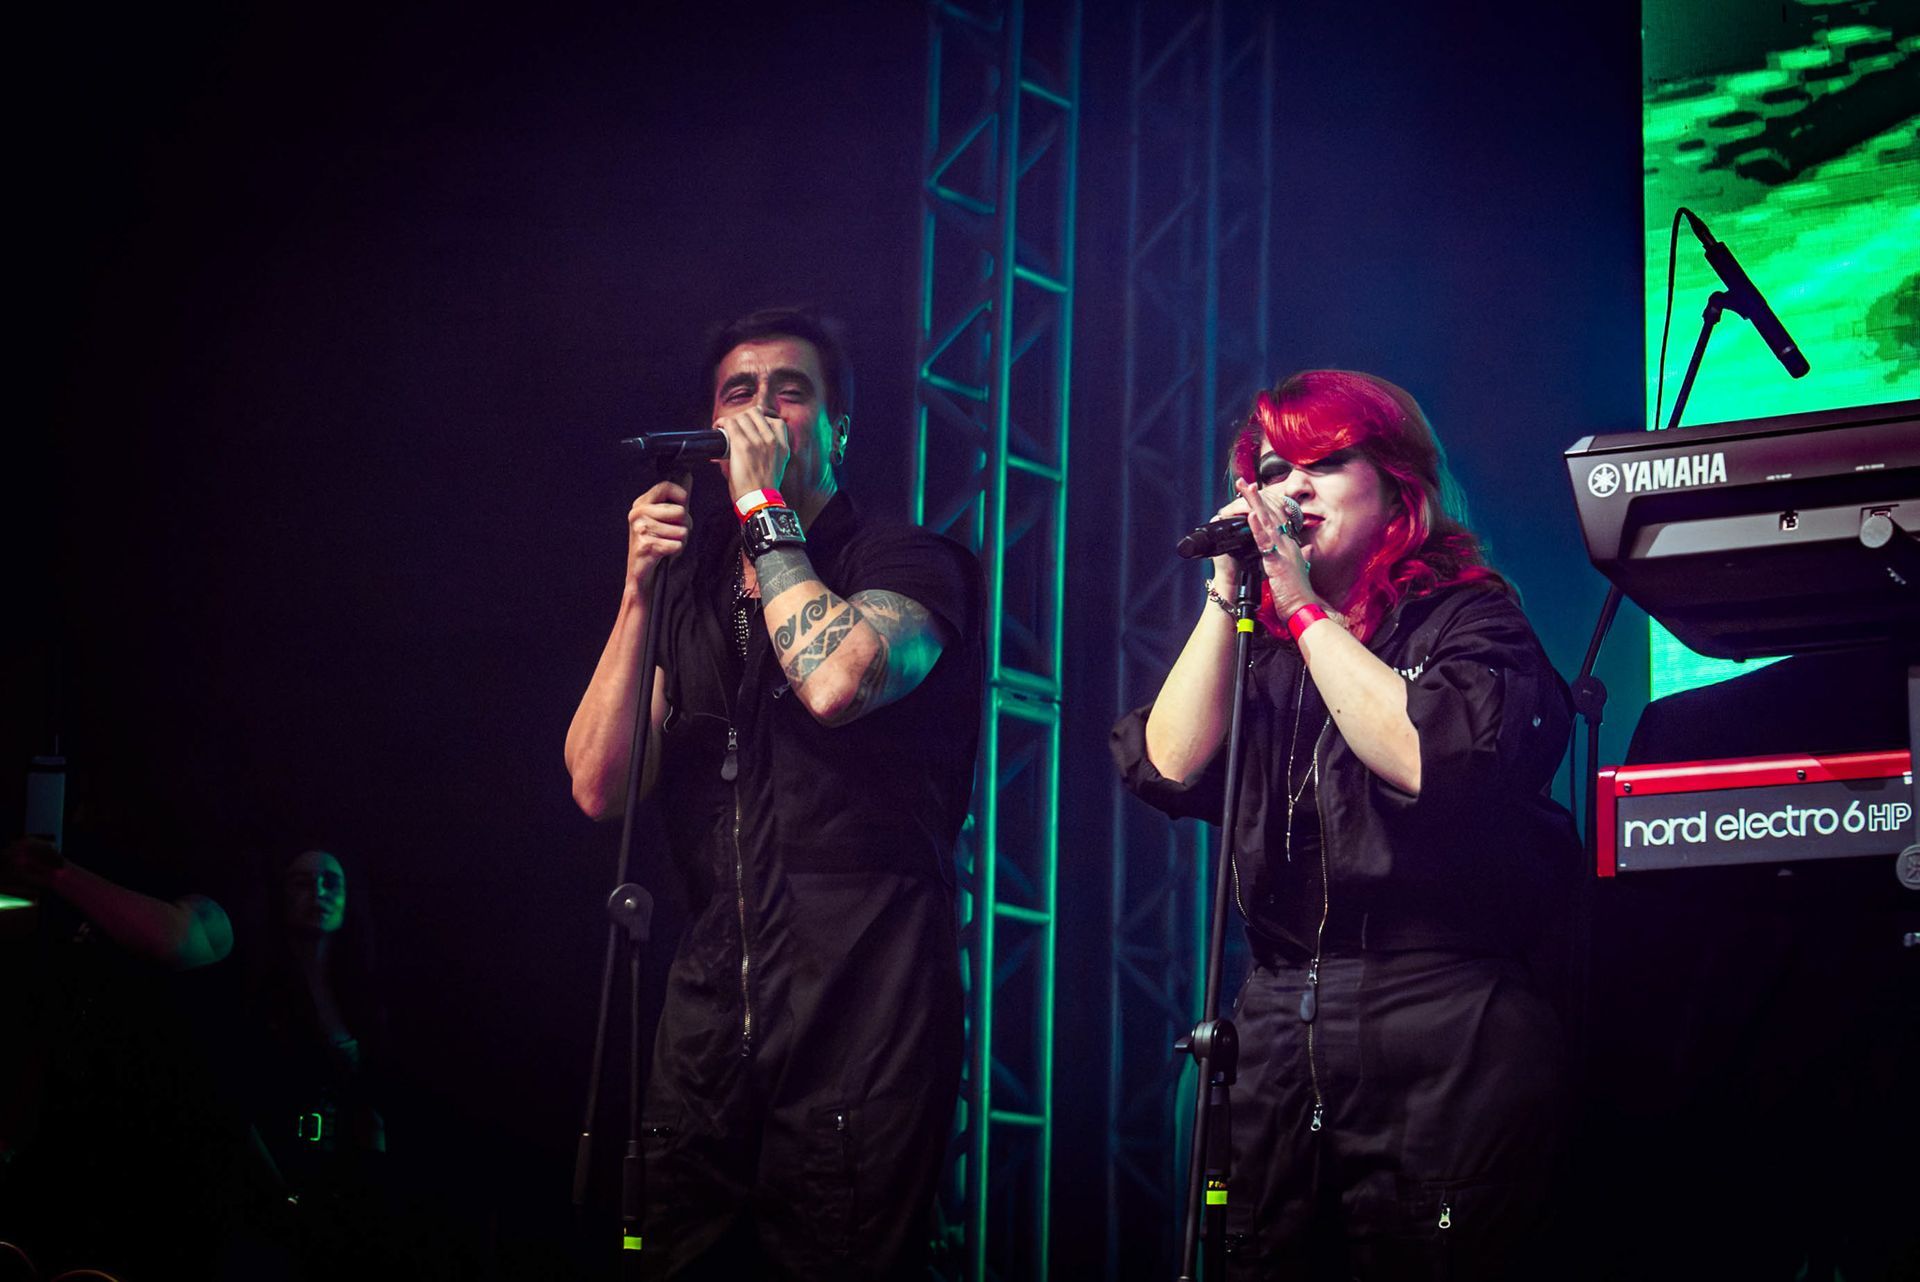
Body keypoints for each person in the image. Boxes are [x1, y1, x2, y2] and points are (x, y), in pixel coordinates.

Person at [1112, 371, 1578, 1279]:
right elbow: (1167, 765)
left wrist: (1305, 611)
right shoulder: (1265, 649)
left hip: (1443, 1033)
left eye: (1325, 463)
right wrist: (1226, 593)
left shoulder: (1471, 622)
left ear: (1399, 482)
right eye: (1275, 468)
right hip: (1280, 1032)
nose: (1292, 489)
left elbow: (1428, 756)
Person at [564, 307, 983, 1279]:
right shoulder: (694, 588)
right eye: (736, 394)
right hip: (708, 1034)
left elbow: (837, 681)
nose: (758, 410)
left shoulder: (905, 558)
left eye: (789, 391)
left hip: (863, 1030)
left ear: (839, 426)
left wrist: (765, 518)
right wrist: (638, 592)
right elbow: (598, 783)